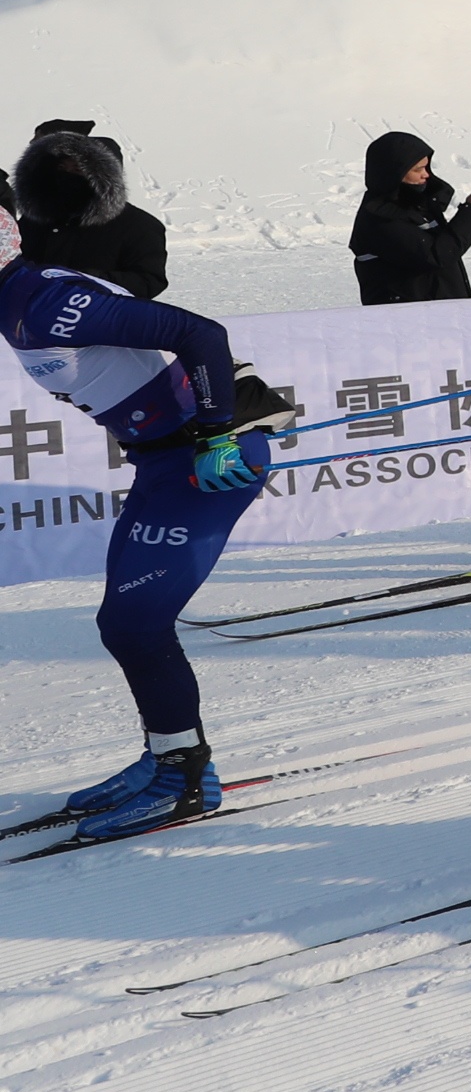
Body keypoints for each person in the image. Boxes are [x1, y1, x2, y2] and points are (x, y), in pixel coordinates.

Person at [6, 133, 294, 842]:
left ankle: (186, 776)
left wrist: (218, 429)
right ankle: (169, 756)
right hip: (167, 461)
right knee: (131, 624)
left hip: (206, 459)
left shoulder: (42, 301)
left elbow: (200, 333)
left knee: (133, 624)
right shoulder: (25, 291)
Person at [19, 122, 166, 295]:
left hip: (98, 317)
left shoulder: (139, 225)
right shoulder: (36, 217)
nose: (66, 176)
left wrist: (89, 280)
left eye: (77, 169)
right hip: (25, 315)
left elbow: (149, 281)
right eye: (61, 168)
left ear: (103, 178)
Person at [349, 129, 471, 303]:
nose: (426, 174)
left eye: (426, 166)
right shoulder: (380, 218)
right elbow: (437, 255)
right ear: (395, 173)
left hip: (437, 315)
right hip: (406, 322)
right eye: (418, 169)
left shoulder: (416, 204)